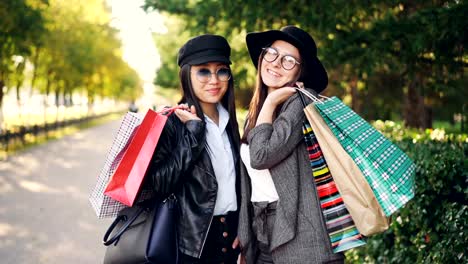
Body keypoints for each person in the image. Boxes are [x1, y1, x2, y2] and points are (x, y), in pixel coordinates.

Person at [237, 25, 345, 263]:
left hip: (303, 238)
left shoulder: (298, 105)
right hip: (263, 229)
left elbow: (261, 156)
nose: (276, 63)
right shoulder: (257, 112)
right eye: (272, 53)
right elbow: (250, 181)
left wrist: (273, 99)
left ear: (300, 73)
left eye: (288, 61)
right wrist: (245, 237)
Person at [145, 34, 241, 263]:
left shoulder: (231, 123)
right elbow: (157, 184)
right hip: (191, 246)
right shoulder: (171, 123)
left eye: (221, 70)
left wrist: (244, 227)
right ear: (187, 75)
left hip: (231, 241)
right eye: (203, 71)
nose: (214, 79)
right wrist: (193, 134)